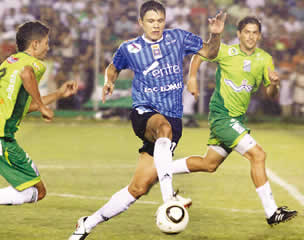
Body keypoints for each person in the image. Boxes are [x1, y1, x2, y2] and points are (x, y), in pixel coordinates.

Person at [69, 1, 226, 239]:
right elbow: (113, 67)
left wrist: (216, 35)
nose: (156, 25)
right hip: (145, 112)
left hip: (174, 120)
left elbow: (209, 52)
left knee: (138, 188)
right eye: (151, 21)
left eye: (160, 20)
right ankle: (170, 199)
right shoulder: (129, 48)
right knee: (162, 127)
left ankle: (86, 224)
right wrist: (108, 80)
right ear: (140, 23)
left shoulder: (178, 38)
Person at [171, 16, 297, 226]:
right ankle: (272, 212)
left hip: (236, 118)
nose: (251, 36)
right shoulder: (226, 51)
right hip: (222, 115)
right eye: (246, 32)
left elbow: (271, 95)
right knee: (258, 155)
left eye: (255, 32)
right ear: (239, 34)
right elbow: (200, 55)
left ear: (260, 35)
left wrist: (275, 84)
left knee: (209, 164)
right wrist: (192, 78)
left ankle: (162, 168)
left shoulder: (264, 59)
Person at [0, 21, 78, 235]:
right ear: (35, 44)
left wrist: (57, 94)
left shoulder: (9, 62)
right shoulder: (33, 64)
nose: (49, 47)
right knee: (37, 191)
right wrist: (45, 109)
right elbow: (27, 74)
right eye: (47, 43)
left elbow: (23, 107)